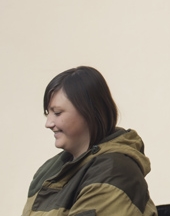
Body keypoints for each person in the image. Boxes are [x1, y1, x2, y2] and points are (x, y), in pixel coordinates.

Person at [22, 66, 157, 216]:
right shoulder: (48, 170)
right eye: (48, 113)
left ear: (88, 112)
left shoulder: (115, 171)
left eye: (57, 113)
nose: (48, 123)